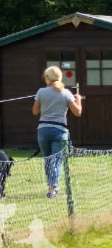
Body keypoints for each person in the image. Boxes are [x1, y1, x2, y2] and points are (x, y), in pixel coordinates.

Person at [32, 65, 82, 199]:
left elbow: (35, 111)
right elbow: (77, 112)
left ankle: (51, 186)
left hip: (43, 130)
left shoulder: (41, 92)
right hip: (59, 130)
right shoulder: (66, 93)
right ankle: (53, 188)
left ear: (47, 78)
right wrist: (78, 100)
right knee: (56, 161)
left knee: (48, 160)